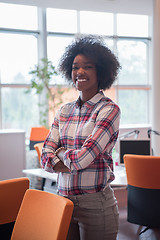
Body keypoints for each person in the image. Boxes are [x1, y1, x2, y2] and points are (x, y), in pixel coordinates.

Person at [41, 35, 121, 240]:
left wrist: (60, 153)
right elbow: (45, 157)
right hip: (63, 201)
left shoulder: (109, 110)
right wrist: (65, 158)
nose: (80, 72)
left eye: (88, 67)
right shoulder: (64, 111)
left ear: (101, 71)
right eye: (75, 67)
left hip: (96, 206)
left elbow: (84, 158)